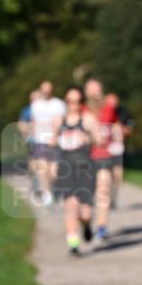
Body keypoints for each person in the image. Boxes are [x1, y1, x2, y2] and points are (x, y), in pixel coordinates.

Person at [52, 86, 98, 256]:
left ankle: (87, 225)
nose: (73, 105)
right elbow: (52, 143)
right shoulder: (59, 121)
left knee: (85, 212)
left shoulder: (88, 119)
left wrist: (88, 138)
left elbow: (99, 140)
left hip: (85, 168)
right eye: (70, 101)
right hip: (66, 167)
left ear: (82, 103)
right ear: (66, 102)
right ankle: (73, 246)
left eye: (77, 102)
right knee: (70, 207)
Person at [84, 79, 119, 246]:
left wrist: (116, 137)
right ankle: (86, 223)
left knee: (103, 191)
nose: (97, 94)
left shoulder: (109, 108)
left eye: (99, 90)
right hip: (84, 158)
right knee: (86, 196)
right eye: (93, 91)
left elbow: (116, 126)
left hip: (104, 156)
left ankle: (101, 228)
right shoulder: (81, 109)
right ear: (86, 93)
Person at [30, 81, 66, 206]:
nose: (46, 92)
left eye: (48, 90)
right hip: (39, 141)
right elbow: (33, 121)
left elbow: (61, 121)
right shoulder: (36, 105)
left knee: (53, 173)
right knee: (42, 169)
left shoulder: (59, 104)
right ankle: (47, 194)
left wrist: (55, 136)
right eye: (43, 90)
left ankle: (54, 188)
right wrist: (32, 135)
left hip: (55, 141)